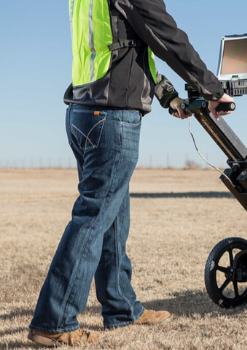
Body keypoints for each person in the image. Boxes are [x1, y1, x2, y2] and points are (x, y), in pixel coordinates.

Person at [28, 0, 233, 346]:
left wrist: (168, 96)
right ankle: (54, 321)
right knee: (93, 219)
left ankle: (121, 309)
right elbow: (165, 35)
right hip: (112, 118)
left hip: (84, 111)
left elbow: (131, 47)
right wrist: (212, 88)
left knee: (111, 218)